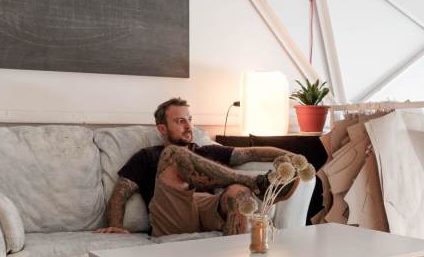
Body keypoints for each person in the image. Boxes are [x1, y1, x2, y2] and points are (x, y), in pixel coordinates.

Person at [95, 98, 296, 237]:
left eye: (189, 120)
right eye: (180, 121)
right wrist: (115, 225)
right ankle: (255, 182)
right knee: (174, 154)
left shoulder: (207, 151)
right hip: (173, 213)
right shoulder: (148, 156)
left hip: (207, 208)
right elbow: (120, 193)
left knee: (239, 192)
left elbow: (252, 153)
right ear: (162, 128)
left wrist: (293, 156)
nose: (188, 126)